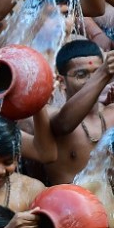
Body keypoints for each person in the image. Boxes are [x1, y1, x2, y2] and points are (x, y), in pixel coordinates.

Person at [47, 40, 114, 184]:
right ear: (62, 81)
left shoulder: (111, 112)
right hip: (69, 205)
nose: (92, 80)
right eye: (81, 75)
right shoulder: (49, 113)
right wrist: (102, 73)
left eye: (96, 72)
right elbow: (64, 124)